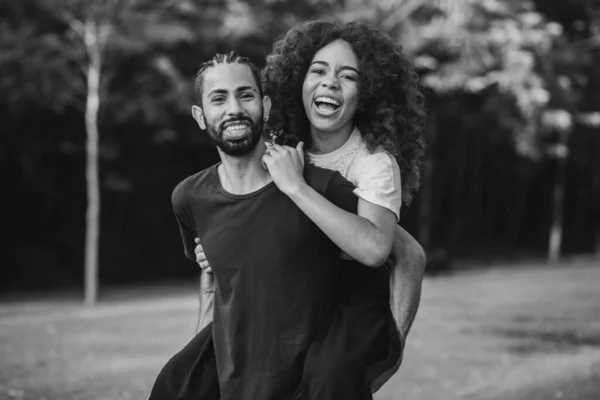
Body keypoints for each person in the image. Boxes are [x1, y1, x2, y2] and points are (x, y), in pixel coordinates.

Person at [195, 20, 427, 399]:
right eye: (317, 71)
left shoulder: (372, 164)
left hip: (345, 304)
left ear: (365, 92)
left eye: (347, 76)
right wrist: (219, 246)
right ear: (298, 81)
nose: (329, 83)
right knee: (184, 379)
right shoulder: (277, 145)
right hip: (288, 298)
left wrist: (389, 354)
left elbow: (403, 254)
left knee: (325, 381)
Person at [148, 52, 361, 400]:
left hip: (314, 388)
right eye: (219, 98)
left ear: (264, 103)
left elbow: (395, 255)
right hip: (234, 388)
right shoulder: (189, 198)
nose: (234, 108)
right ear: (201, 117)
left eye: (245, 95)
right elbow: (214, 277)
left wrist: (377, 361)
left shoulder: (320, 186)